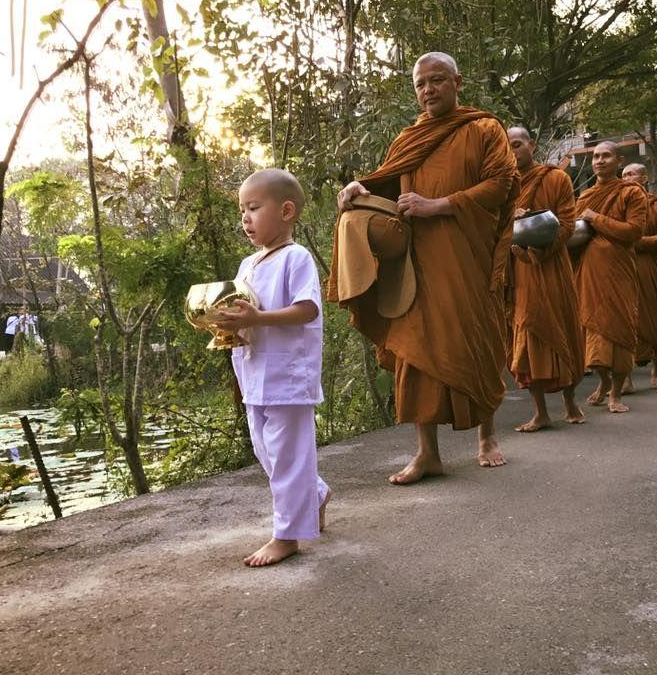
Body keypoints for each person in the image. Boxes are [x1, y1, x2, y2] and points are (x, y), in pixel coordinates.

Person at [329, 52, 518, 484]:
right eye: (420, 84)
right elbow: (388, 180)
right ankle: (426, 453)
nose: (428, 90)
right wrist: (360, 185)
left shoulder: (484, 129)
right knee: (416, 347)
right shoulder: (409, 138)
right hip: (418, 260)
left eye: (437, 80)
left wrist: (438, 205)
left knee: (479, 338)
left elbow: (501, 184)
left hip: (467, 254)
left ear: (458, 81)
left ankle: (487, 438)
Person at [217, 169, 332, 567]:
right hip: (253, 374)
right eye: (241, 211)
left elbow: (307, 309)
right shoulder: (248, 263)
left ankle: (287, 535)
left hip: (288, 376)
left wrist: (257, 319)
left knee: (287, 454)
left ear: (285, 211)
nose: (245, 218)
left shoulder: (295, 258)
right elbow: (240, 308)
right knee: (266, 451)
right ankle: (313, 494)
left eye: (253, 208)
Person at [506, 126, 585, 431]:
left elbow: (567, 223)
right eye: (507, 148)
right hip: (518, 269)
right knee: (526, 335)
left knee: (562, 327)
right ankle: (540, 412)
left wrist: (534, 228)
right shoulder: (502, 185)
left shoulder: (556, 178)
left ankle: (570, 401)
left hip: (551, 266)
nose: (513, 153)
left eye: (517, 145)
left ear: (531, 144)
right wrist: (512, 220)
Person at [573, 141, 647, 413]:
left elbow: (633, 231)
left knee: (620, 330)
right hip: (590, 273)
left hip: (619, 272)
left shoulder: (631, 193)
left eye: (606, 156)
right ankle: (603, 382)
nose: (599, 161)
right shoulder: (584, 196)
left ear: (619, 160)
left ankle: (616, 393)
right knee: (594, 330)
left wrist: (596, 218)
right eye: (595, 157)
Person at [620, 162, 657, 393]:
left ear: (644, 177)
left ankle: (656, 374)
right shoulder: (616, 203)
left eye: (631, 174)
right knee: (624, 321)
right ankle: (625, 378)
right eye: (622, 175)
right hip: (621, 267)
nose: (626, 178)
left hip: (649, 266)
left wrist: (635, 241)